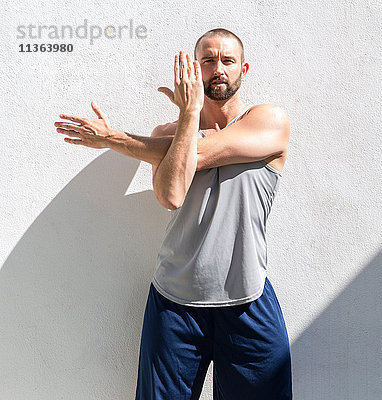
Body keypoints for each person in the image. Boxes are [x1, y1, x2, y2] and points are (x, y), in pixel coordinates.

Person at [54, 28, 292, 399]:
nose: (218, 69)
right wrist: (189, 116)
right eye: (208, 61)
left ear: (243, 68)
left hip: (248, 297)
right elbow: (171, 194)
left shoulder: (269, 121)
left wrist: (114, 139)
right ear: (194, 71)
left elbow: (196, 154)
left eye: (227, 61)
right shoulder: (167, 131)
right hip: (175, 303)